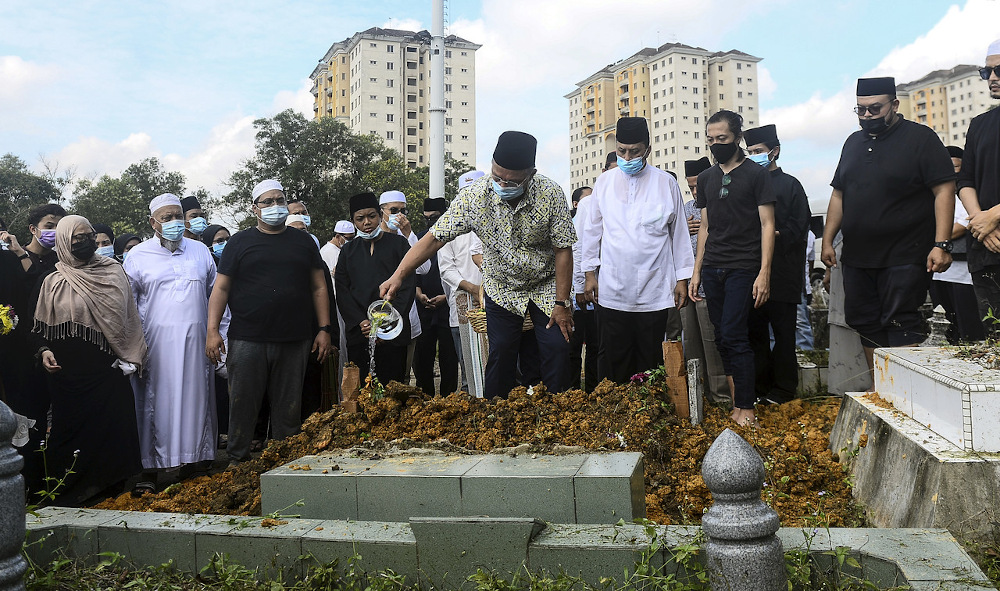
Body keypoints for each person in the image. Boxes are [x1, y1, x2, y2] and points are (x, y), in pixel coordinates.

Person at [380, 131, 577, 400]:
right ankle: (495, 417)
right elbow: (434, 239)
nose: (503, 184)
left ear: (530, 173)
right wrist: (399, 275)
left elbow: (563, 249)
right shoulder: (474, 198)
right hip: (502, 287)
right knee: (501, 353)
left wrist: (562, 303)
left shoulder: (551, 194)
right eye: (497, 177)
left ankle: (557, 412)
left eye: (512, 181)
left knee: (556, 348)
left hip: (546, 286)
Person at [821, 77, 955, 386]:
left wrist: (942, 243)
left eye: (874, 109)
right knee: (865, 322)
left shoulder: (920, 138)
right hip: (857, 255)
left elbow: (945, 190)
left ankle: (909, 396)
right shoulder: (852, 142)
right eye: (861, 110)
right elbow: (839, 194)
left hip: (905, 252)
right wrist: (828, 240)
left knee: (901, 322)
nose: (867, 116)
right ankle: (882, 392)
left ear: (894, 105)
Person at [205, 179, 334, 466]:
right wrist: (212, 331)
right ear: (255, 208)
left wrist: (324, 329)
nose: (276, 206)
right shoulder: (239, 242)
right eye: (268, 202)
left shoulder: (303, 242)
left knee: (288, 408)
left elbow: (319, 287)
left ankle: (284, 464)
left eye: (280, 200)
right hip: (248, 338)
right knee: (243, 403)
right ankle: (237, 462)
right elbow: (221, 288)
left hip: (294, 338)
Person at [30, 214, 146, 505]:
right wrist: (43, 350)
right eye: (76, 238)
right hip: (66, 376)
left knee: (113, 428)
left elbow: (128, 317)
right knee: (69, 434)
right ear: (64, 243)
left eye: (88, 235)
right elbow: (36, 328)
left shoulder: (112, 270)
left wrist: (127, 355)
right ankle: (70, 492)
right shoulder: (51, 280)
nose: (84, 242)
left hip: (107, 370)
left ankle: (112, 490)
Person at [581, 117, 694, 383]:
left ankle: (647, 411)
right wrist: (589, 273)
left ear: (648, 149)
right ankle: (615, 411)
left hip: (653, 287)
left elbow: (677, 235)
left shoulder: (666, 183)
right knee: (613, 356)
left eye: (634, 151)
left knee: (650, 355)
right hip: (612, 287)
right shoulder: (605, 183)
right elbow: (592, 231)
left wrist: (682, 279)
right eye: (622, 151)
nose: (627, 156)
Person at [689, 110, 776, 427]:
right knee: (722, 336)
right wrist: (697, 270)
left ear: (737, 137)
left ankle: (746, 407)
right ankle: (736, 406)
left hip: (744, 265)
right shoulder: (707, 178)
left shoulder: (756, 174)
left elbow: (768, 225)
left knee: (736, 334)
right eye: (711, 139)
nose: (716, 144)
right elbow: (706, 228)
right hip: (713, 267)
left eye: (722, 139)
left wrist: (764, 272)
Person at [125, 194, 218, 481]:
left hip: (198, 346)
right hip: (156, 349)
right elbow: (128, 306)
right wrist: (133, 348)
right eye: (167, 218)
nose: (175, 222)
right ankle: (157, 465)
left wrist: (219, 335)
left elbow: (216, 297)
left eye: (178, 216)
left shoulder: (201, 251)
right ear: (153, 222)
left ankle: (197, 460)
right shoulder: (137, 256)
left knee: (197, 399)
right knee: (159, 403)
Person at [743, 124, 811, 405]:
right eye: (750, 152)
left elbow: (801, 226)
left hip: (783, 273)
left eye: (758, 151)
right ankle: (760, 388)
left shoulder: (791, 185)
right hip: (749, 272)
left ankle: (784, 390)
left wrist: (774, 234)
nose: (754, 156)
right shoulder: (747, 184)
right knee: (755, 334)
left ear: (775, 151)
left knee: (784, 335)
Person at [336, 192, 416, 384]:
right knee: (363, 389)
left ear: (380, 215)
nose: (367, 222)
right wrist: (361, 322)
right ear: (353, 221)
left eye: (371, 216)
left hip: (393, 331)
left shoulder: (399, 244)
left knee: (393, 389)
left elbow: (407, 285)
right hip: (360, 333)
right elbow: (342, 291)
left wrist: (385, 325)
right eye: (360, 218)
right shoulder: (348, 251)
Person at [681, 157, 730, 406]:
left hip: (710, 286)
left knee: (714, 346)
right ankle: (698, 400)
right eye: (690, 188)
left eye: (698, 186)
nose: (695, 192)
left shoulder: (723, 203)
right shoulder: (685, 210)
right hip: (686, 286)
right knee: (691, 344)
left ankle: (721, 399)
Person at [960, 39, 1000, 334]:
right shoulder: (979, 124)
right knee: (994, 338)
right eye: (987, 72)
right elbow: (966, 179)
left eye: (999, 70)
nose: (993, 79)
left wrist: (993, 216)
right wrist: (980, 222)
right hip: (985, 246)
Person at [438, 171, 486, 394]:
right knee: (470, 373)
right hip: (463, 308)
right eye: (467, 194)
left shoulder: (496, 220)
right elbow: (446, 269)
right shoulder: (449, 226)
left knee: (505, 368)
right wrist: (474, 289)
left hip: (497, 307)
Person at [931, 147, 984, 342]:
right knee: (944, 325)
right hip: (937, 270)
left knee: (969, 325)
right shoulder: (935, 195)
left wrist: (937, 239)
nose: (950, 172)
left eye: (955, 166)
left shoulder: (968, 195)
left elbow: (965, 223)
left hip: (964, 270)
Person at [412, 197, 459, 396]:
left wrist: (445, 298)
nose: (431, 222)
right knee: (422, 358)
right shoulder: (421, 239)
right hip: (424, 308)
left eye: (435, 218)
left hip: (448, 307)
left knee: (449, 357)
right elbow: (412, 270)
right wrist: (419, 293)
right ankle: (425, 398)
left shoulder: (455, 238)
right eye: (427, 218)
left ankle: (448, 398)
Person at [570, 186, 598, 392]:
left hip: (599, 294)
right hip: (578, 294)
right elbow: (577, 250)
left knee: (596, 346)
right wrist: (580, 286)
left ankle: (593, 389)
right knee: (573, 346)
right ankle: (573, 390)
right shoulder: (573, 224)